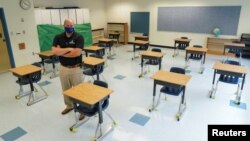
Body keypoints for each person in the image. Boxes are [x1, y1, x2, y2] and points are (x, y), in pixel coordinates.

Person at [52, 19, 85, 120]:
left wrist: (62, 52)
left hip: (76, 68)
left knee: (79, 90)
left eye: (71, 25)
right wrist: (68, 49)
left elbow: (77, 53)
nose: (69, 27)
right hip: (63, 68)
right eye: (67, 25)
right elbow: (54, 51)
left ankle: (83, 109)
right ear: (64, 26)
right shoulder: (58, 37)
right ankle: (69, 106)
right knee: (65, 89)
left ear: (73, 25)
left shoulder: (79, 37)